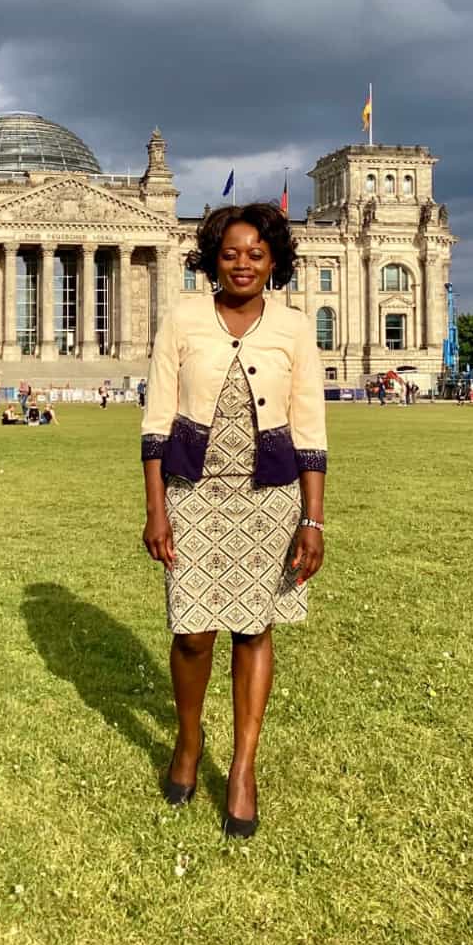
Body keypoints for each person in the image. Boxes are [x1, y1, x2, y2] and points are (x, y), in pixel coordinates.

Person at [141, 202, 326, 839]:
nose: (242, 263)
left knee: (253, 629)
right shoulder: (184, 318)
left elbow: (309, 427)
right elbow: (157, 416)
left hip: (269, 497)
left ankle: (243, 767)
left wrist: (314, 519)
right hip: (193, 493)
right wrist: (156, 506)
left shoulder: (296, 327)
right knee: (192, 632)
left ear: (274, 261)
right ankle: (189, 742)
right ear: (212, 258)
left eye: (256, 253)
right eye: (230, 253)